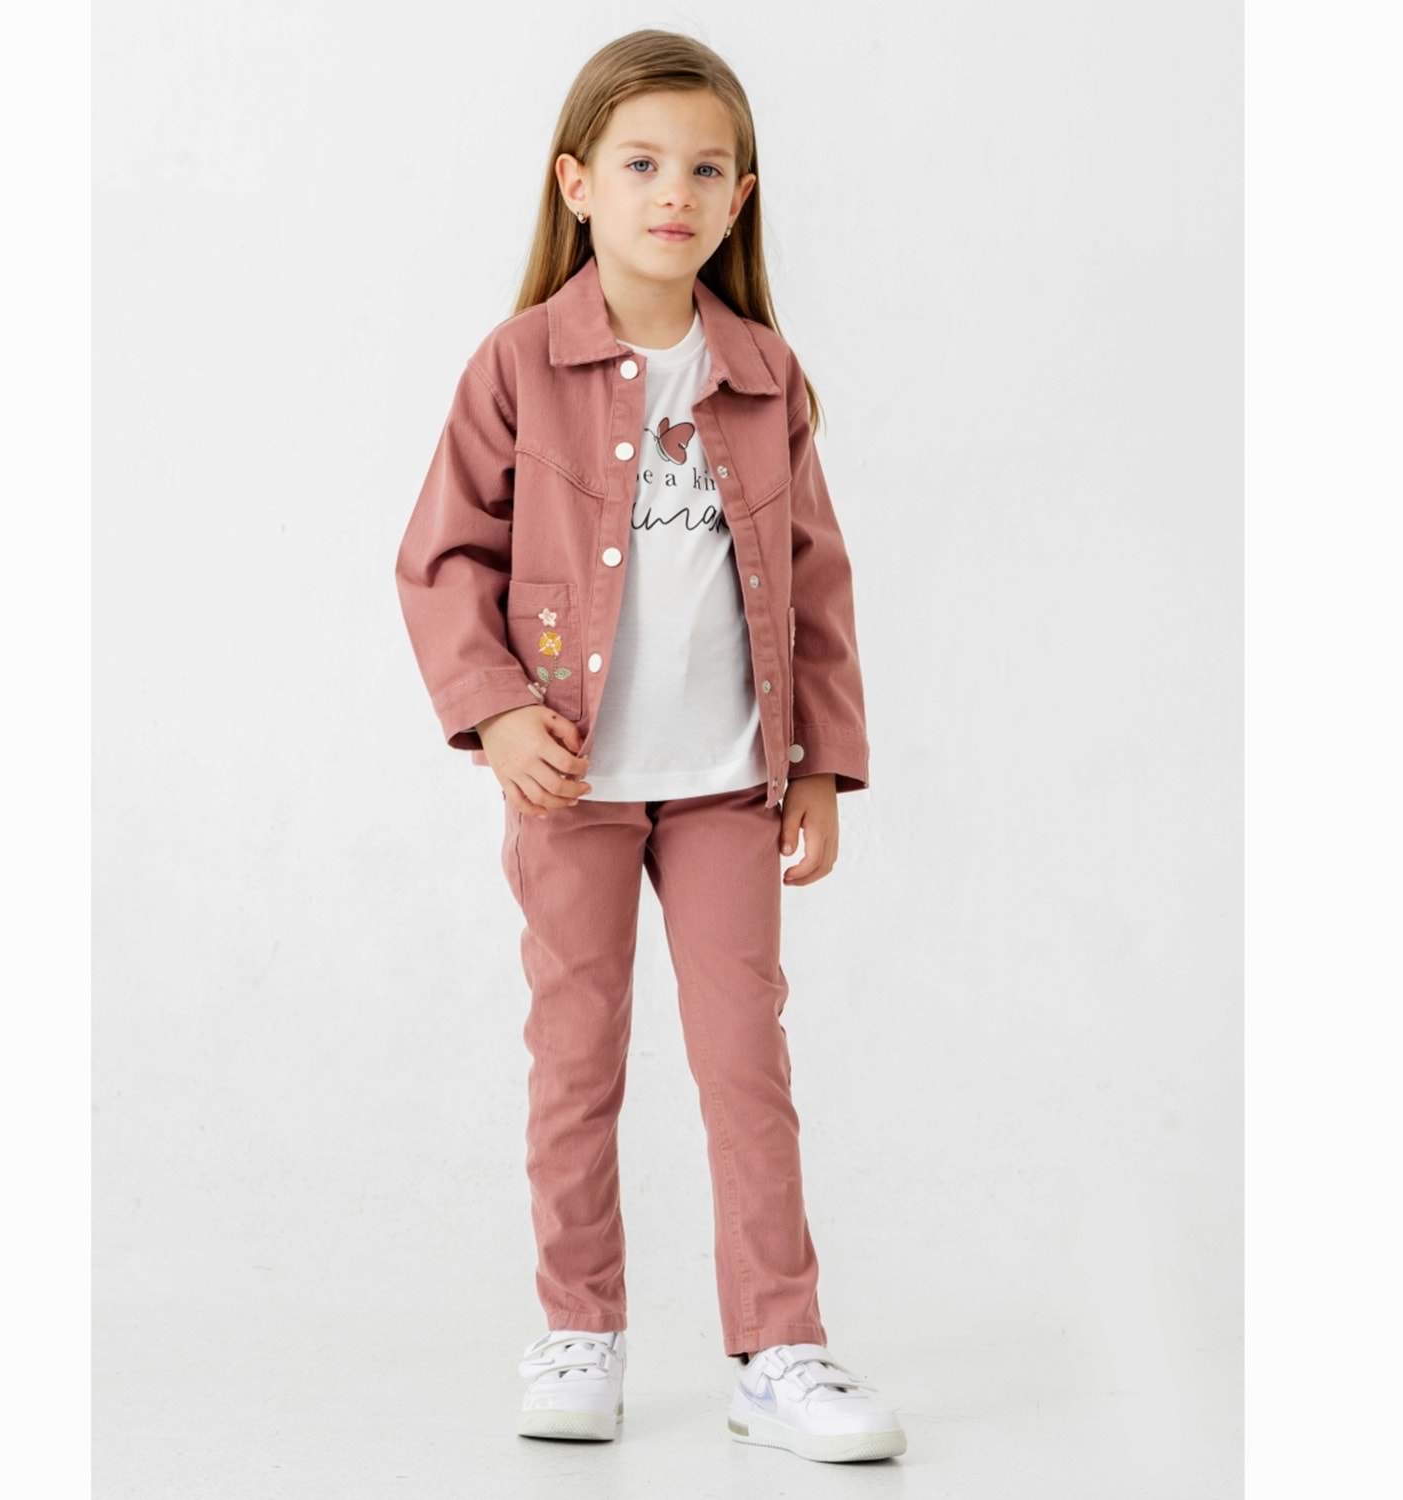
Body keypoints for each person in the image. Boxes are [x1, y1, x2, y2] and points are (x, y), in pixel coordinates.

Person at [394, 29, 906, 1465]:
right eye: (639, 164)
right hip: (572, 788)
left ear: (739, 199)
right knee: (577, 1062)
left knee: (747, 1063)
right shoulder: (518, 365)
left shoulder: (763, 375)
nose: (671, 191)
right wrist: (498, 710)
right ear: (578, 185)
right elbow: (442, 557)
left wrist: (821, 763)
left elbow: (815, 580)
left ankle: (779, 1350)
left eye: (702, 168)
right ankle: (581, 1329)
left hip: (730, 784)